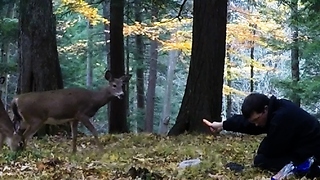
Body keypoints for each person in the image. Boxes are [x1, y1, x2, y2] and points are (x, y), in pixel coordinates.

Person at [203, 93, 320, 178]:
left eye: (257, 120)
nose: (256, 124)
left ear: (265, 109)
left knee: (262, 160)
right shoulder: (275, 109)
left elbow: (271, 149)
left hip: (313, 152)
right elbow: (247, 124)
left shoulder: (281, 118)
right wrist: (222, 125)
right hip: (302, 147)